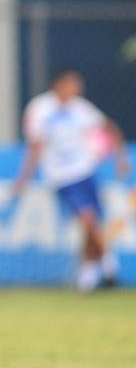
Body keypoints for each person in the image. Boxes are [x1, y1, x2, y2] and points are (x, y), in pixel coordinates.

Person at [14, 69, 131, 291]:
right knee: (88, 220)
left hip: (85, 171)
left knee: (91, 224)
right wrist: (24, 177)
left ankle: (89, 274)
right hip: (61, 176)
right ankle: (107, 264)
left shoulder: (82, 109)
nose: (77, 88)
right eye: (72, 83)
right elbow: (35, 146)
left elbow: (110, 128)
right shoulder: (40, 109)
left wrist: (121, 158)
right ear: (58, 84)